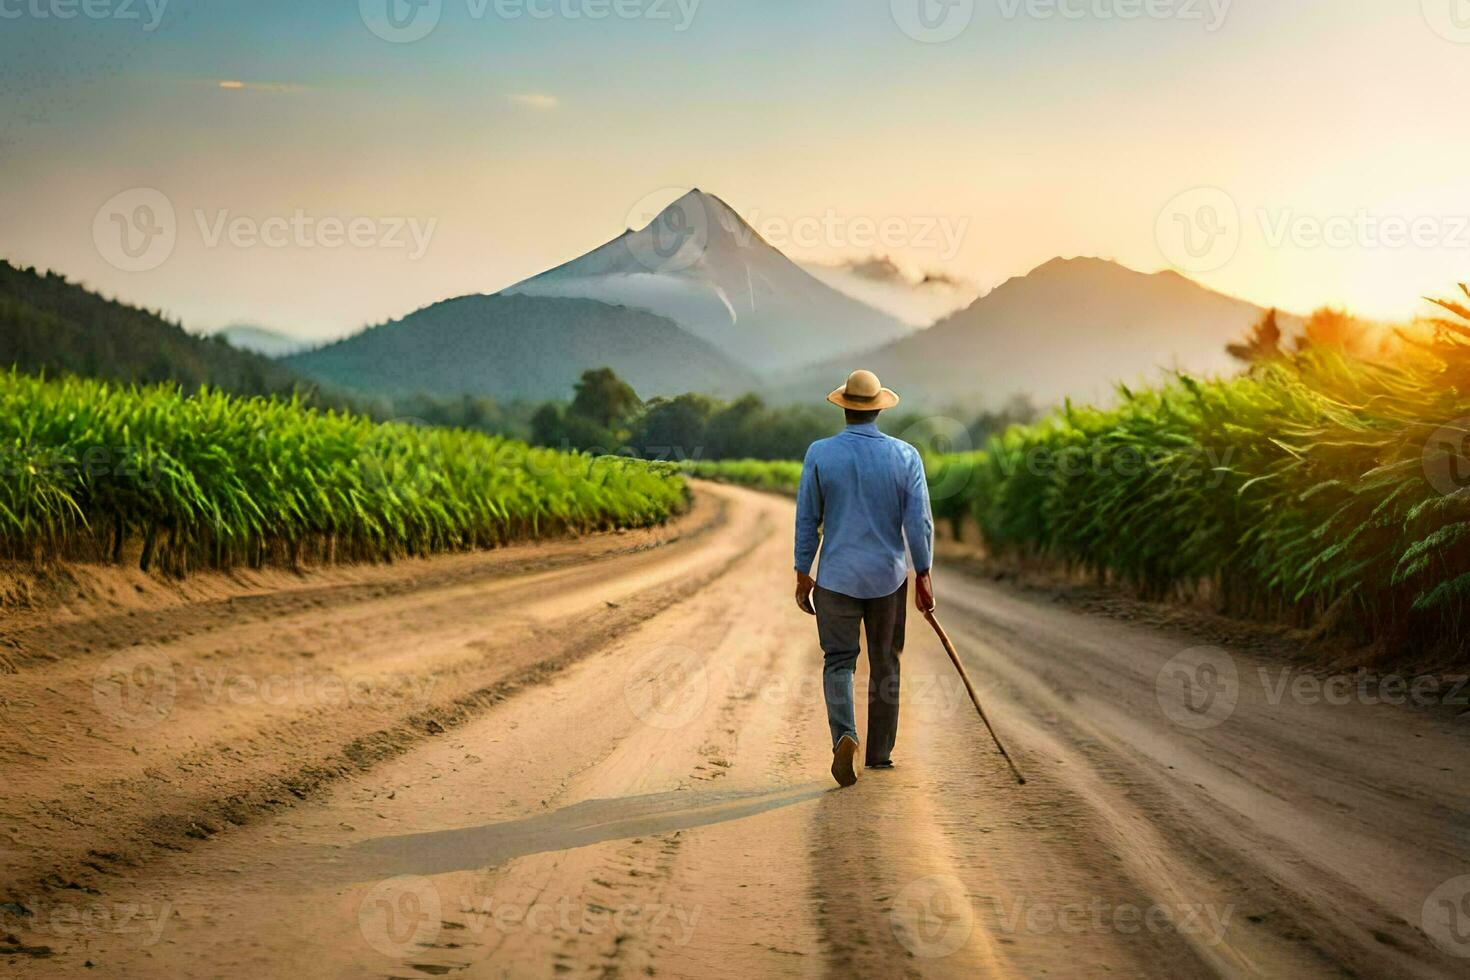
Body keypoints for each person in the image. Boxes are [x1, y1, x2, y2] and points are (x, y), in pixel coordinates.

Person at [794, 369, 935, 788]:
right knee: (885, 663)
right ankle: (879, 754)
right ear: (878, 408)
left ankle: (845, 735)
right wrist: (923, 572)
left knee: (838, 661)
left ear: (844, 409)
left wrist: (804, 571)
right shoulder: (906, 456)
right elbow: (918, 523)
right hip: (888, 578)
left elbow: (808, 519)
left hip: (836, 576)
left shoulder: (820, 453)